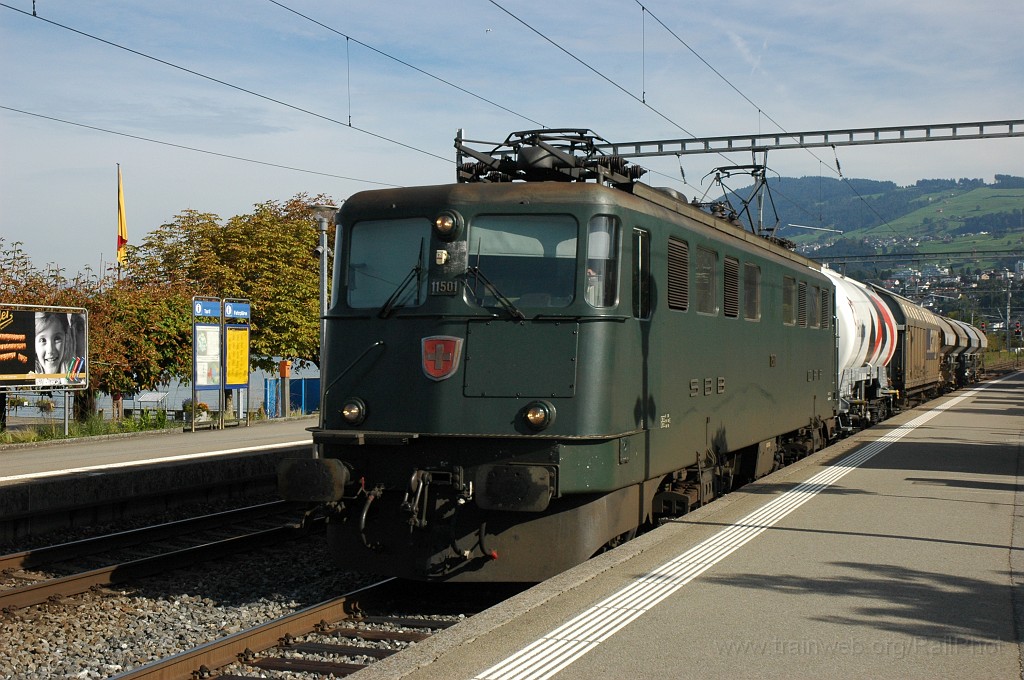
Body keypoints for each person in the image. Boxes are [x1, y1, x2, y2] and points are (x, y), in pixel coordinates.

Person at [34, 312, 73, 383]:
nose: (50, 350)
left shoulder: (77, 378)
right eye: (43, 340)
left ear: (66, 339)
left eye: (57, 339)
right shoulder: (28, 378)